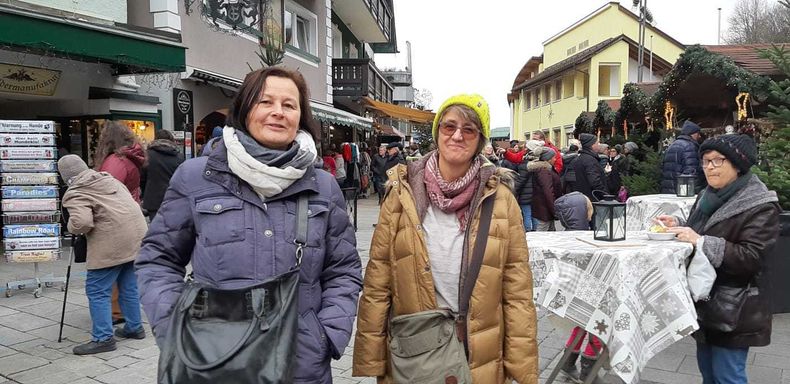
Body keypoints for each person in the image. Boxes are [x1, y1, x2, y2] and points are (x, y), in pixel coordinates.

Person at [135, 67, 362, 383]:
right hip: (212, 361)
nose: (277, 113)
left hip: (301, 365)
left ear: (301, 116)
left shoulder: (322, 187)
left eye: (289, 105)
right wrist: (175, 328)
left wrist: (326, 335)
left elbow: (343, 270)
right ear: (244, 109)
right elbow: (157, 261)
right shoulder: (196, 177)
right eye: (265, 101)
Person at [352, 94, 538, 383]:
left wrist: (521, 366)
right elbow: (378, 280)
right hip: (416, 352)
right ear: (438, 132)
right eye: (449, 126)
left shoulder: (500, 199)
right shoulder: (402, 194)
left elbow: (517, 291)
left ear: (480, 140)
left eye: (469, 129)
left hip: (478, 351)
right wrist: (371, 357)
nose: (457, 136)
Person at [658, 134, 780, 384]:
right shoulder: (708, 196)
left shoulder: (760, 205)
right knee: (708, 373)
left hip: (735, 306)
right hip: (706, 300)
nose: (710, 167)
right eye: (705, 161)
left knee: (727, 376)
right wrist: (680, 225)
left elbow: (752, 258)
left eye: (718, 160)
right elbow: (702, 231)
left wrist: (701, 242)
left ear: (738, 164)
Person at [58, 155, 148, 355]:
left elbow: (81, 223)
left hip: (112, 243)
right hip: (136, 238)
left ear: (66, 177)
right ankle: (135, 327)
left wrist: (71, 227)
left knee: (97, 290)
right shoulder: (108, 179)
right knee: (128, 285)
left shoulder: (76, 191)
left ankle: (103, 338)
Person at [94, 120, 145, 325]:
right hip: (131, 215)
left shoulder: (115, 161)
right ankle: (132, 320)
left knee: (112, 271)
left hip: (117, 219)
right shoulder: (129, 158)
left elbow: (107, 191)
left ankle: (116, 312)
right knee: (127, 273)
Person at [554, 192, 604, 383]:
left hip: (575, 296)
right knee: (600, 327)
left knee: (581, 325)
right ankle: (587, 369)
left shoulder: (567, 236)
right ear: (584, 213)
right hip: (590, 294)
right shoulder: (585, 239)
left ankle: (568, 363)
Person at [95, 121, 145, 203]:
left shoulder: (116, 161)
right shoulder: (125, 158)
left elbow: (109, 192)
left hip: (120, 210)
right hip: (129, 206)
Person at [141, 130, 184, 220]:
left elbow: (142, 178)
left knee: (156, 229)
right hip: (174, 198)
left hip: (153, 200)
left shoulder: (147, 155)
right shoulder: (179, 157)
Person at [661, 120, 705, 194]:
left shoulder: (671, 146)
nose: (699, 136)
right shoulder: (690, 147)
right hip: (683, 193)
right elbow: (691, 172)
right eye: (698, 133)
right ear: (692, 134)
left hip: (668, 191)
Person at [569, 133, 607, 202]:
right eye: (597, 143)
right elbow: (595, 182)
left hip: (582, 198)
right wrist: (605, 195)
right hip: (592, 199)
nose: (598, 145)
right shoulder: (590, 160)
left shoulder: (579, 158)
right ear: (592, 145)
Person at [531, 148, 563, 231]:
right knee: (542, 234)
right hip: (545, 209)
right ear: (548, 159)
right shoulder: (544, 171)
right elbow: (548, 191)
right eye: (553, 157)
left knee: (550, 233)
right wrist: (554, 210)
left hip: (546, 208)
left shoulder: (546, 169)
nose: (555, 159)